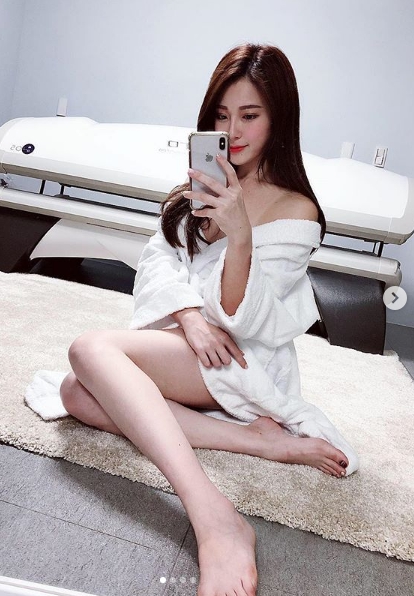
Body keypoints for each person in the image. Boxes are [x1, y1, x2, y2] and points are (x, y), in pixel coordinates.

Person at [60, 43, 358, 596]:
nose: (233, 131)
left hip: (242, 357)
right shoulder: (197, 188)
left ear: (279, 118)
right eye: (221, 116)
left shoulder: (296, 211)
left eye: (250, 115)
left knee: (90, 349)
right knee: (75, 393)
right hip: (192, 340)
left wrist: (240, 233)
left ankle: (213, 515)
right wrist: (190, 318)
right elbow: (159, 258)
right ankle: (258, 441)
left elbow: (247, 319)